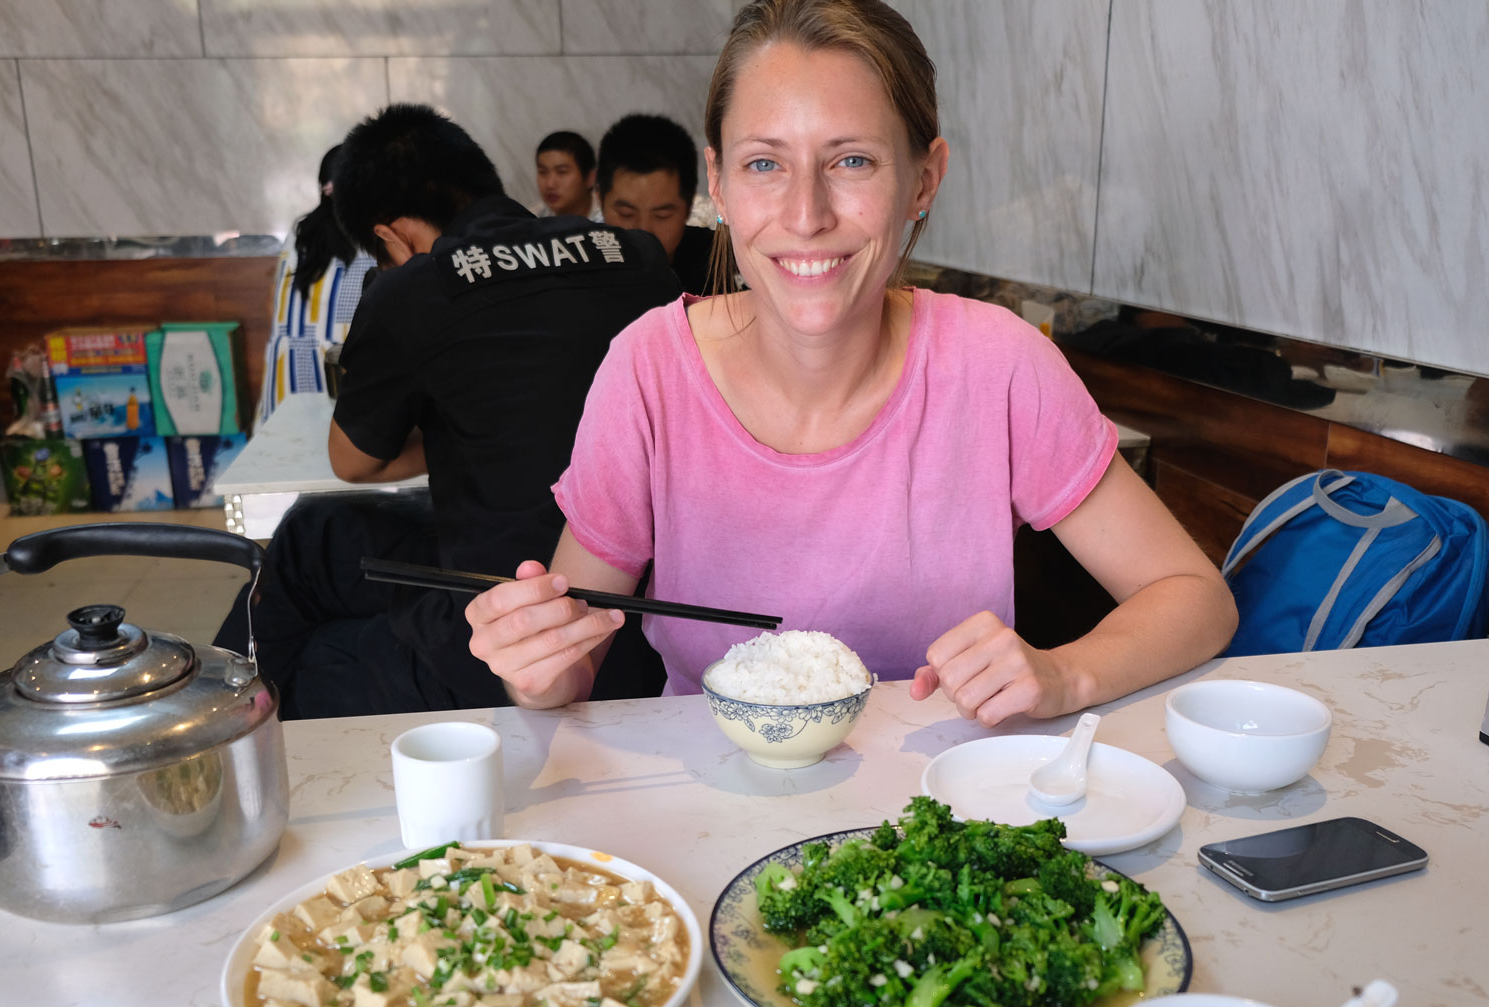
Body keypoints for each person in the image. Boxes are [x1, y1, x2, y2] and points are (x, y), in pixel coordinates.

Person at [464, 0, 1238, 726]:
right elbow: (572, 659)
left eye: (853, 161)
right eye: (765, 165)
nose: (807, 216)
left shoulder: (997, 363)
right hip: (716, 814)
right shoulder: (648, 370)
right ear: (720, 185)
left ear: (923, 180)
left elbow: (1194, 596)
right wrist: (533, 666)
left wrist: (1067, 674)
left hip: (944, 818)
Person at [215, 104, 680, 717]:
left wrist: (461, 431)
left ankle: (225, 729)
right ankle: (231, 709)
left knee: (316, 653)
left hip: (512, 623)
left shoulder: (414, 287)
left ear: (393, 234)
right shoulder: (638, 257)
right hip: (641, 594)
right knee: (309, 531)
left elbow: (354, 462)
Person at [258, 145, 378, 427]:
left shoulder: (300, 230)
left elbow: (274, 303)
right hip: (341, 368)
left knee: (288, 453)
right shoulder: (372, 236)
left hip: (286, 366)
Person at [597, 114, 718, 295]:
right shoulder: (576, 269)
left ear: (687, 207)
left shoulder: (720, 263)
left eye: (662, 215)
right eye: (626, 213)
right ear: (600, 200)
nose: (644, 231)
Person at [535, 131, 597, 219]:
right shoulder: (534, 219)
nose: (550, 184)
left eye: (562, 172)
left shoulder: (610, 217)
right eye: (543, 172)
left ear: (590, 178)